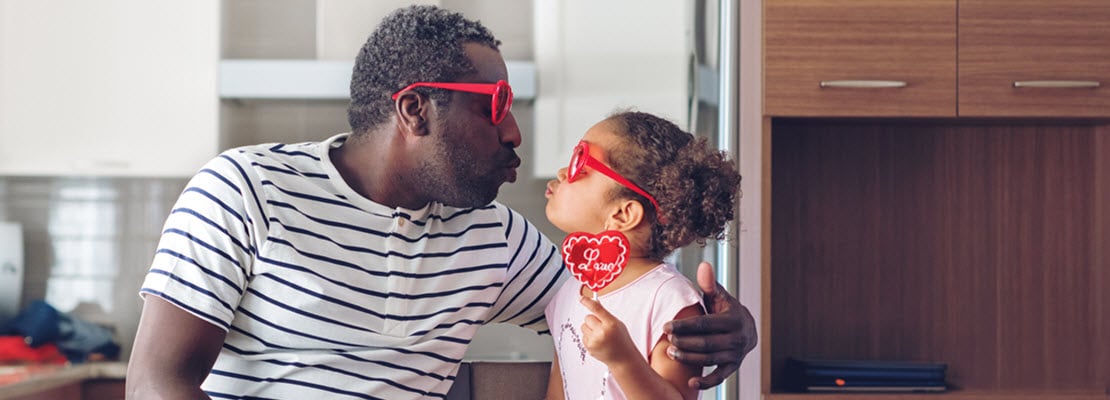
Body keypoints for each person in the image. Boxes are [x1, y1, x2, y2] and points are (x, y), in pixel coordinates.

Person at [126, 5, 756, 399]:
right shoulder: (243, 189)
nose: (514, 133)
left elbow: (631, 303)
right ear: (415, 110)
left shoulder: (498, 238)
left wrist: (735, 331)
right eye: (495, 108)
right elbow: (157, 382)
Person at [543, 111, 742, 400]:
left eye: (581, 162)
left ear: (623, 213)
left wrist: (623, 360)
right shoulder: (570, 291)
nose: (563, 172)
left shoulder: (670, 300)